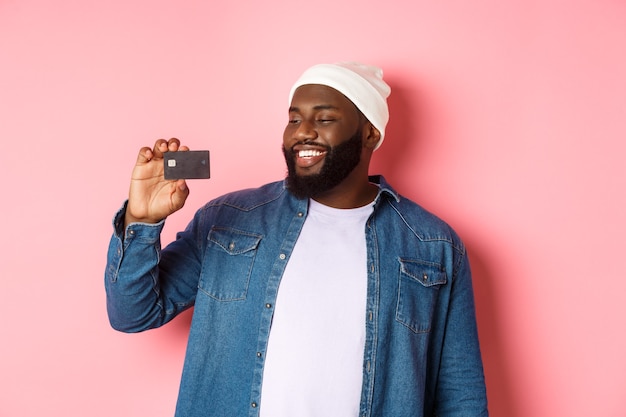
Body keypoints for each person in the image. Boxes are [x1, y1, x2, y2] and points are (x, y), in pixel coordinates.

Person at [105, 62, 489, 417]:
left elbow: (460, 395)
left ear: (370, 132)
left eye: (324, 118)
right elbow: (132, 313)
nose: (303, 131)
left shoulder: (431, 245)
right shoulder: (230, 220)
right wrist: (142, 220)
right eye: (294, 119)